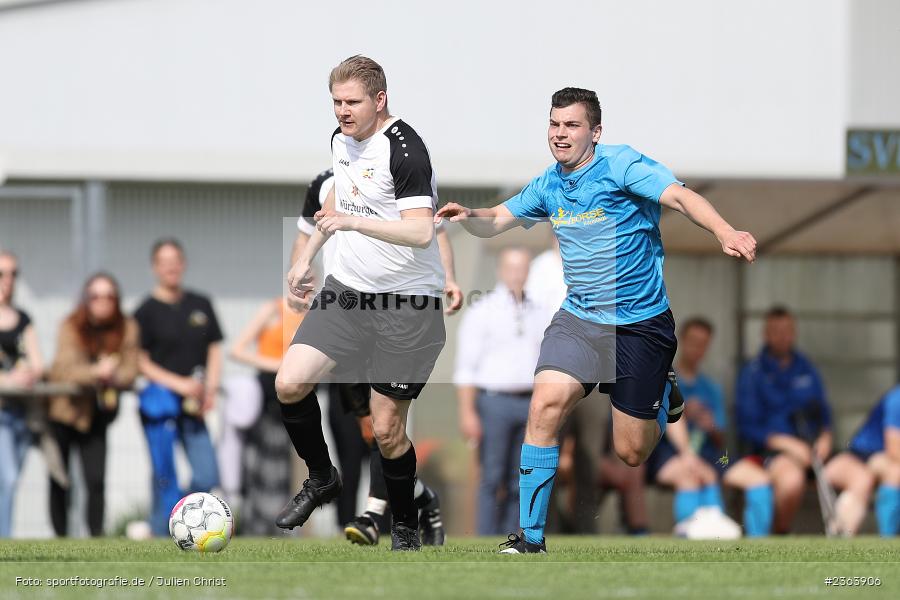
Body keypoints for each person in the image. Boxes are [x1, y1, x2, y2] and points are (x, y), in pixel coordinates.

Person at [436, 87, 757, 553]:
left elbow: (680, 197)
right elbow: (497, 219)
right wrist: (468, 215)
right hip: (580, 320)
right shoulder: (549, 184)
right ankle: (530, 538)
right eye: (554, 124)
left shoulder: (622, 164)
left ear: (595, 131)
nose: (560, 133)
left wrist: (724, 230)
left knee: (631, 452)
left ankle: (662, 392)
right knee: (545, 404)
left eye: (572, 125)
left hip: (640, 324)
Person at [275, 55, 447, 551]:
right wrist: (304, 259)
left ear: (380, 99)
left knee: (387, 429)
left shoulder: (406, 151)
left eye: (352, 102)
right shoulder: (340, 139)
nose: (342, 111)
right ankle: (321, 477)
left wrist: (354, 223)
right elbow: (337, 206)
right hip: (348, 292)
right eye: (336, 102)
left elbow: (420, 231)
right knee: (289, 382)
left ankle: (406, 526)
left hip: (407, 303)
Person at [292, 169, 456, 546]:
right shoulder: (323, 184)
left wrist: (449, 279)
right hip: (343, 316)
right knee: (355, 437)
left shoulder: (399, 170)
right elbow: (305, 235)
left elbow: (436, 232)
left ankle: (372, 515)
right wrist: (300, 273)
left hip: (395, 316)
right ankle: (420, 500)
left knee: (384, 427)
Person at [737, 306, 873, 535]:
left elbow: (824, 412)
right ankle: (780, 534)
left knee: (861, 476)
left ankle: (840, 536)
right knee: (792, 481)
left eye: (788, 330)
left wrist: (826, 438)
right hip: (775, 455)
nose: (783, 336)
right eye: (776, 331)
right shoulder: (752, 373)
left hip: (816, 454)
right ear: (766, 334)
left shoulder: (807, 368)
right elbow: (747, 426)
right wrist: (787, 444)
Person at [645, 317, 772, 537]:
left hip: (712, 455)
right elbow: (651, 427)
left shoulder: (711, 389)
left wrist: (710, 425)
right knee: (693, 476)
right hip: (666, 454)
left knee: (759, 478)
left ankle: (757, 542)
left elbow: (720, 439)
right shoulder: (664, 379)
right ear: (681, 341)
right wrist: (683, 411)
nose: (697, 349)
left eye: (703, 344)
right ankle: (693, 534)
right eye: (693, 342)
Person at [454, 247, 546, 535]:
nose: (517, 275)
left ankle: (514, 537)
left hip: (529, 402)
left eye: (522, 268)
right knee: (492, 477)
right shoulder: (483, 310)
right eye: (511, 268)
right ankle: (486, 537)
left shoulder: (539, 311)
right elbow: (465, 368)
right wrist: (467, 412)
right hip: (494, 403)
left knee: (522, 478)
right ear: (501, 271)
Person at [135, 238, 223, 536]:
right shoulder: (145, 312)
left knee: (207, 474)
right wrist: (178, 384)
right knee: (163, 472)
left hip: (195, 404)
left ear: (183, 264)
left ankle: (177, 516)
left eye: (176, 261)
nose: (171, 267)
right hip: (161, 405)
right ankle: (159, 531)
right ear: (154, 267)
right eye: (164, 262)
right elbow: (140, 361)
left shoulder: (201, 304)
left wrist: (210, 389)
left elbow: (214, 348)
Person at [47, 272, 139, 537]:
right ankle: (60, 536)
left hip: (98, 414)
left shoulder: (126, 327)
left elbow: (131, 369)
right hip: (65, 411)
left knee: (95, 479)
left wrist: (114, 374)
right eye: (96, 296)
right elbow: (63, 370)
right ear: (87, 299)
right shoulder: (71, 325)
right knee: (60, 479)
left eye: (109, 296)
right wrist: (96, 372)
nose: (103, 302)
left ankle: (96, 535)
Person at [228, 294, 306, 535]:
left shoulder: (315, 315)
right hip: (268, 402)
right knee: (262, 468)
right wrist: (279, 364)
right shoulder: (273, 310)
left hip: (300, 402)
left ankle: (285, 527)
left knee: (290, 471)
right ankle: (256, 527)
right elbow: (237, 350)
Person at [0, 250, 44, 538]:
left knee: (11, 479)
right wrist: (7, 378)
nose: (8, 280)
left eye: (13, 274)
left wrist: (27, 373)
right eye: (1, 273)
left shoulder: (23, 319)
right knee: (8, 477)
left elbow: (38, 364)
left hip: (21, 411)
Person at [847, 384, 900, 536]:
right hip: (864, 456)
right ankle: (888, 537)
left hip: (884, 456)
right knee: (896, 471)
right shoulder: (897, 399)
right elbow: (895, 450)